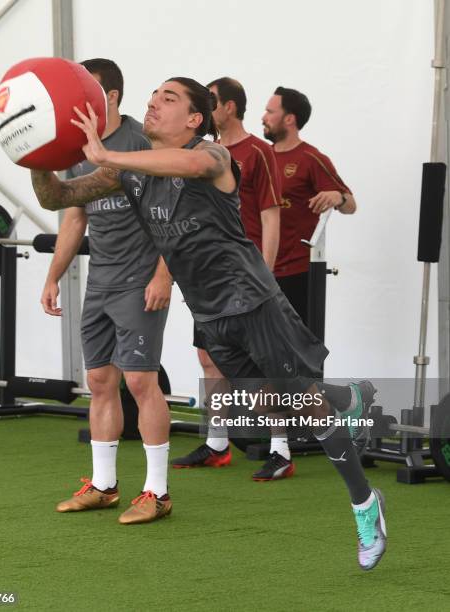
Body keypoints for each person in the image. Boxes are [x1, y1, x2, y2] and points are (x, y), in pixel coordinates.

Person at [31, 77, 386, 570]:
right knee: (267, 406)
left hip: (254, 302)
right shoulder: (130, 172)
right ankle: (348, 399)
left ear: (196, 119)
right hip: (211, 312)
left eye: (168, 98)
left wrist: (107, 154)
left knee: (308, 411)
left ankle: (366, 506)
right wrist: (35, 155)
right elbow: (57, 197)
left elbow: (191, 164)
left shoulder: (215, 156)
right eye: (153, 96)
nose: (153, 103)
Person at [41, 59, 173, 525]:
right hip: (100, 281)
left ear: (111, 96)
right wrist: (54, 275)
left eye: (89, 92)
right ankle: (103, 486)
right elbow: (75, 215)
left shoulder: (140, 143)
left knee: (140, 382)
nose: (80, 101)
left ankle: (157, 492)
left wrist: (164, 275)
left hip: (140, 280)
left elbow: (170, 217)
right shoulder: (80, 146)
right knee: (99, 382)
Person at [170, 77, 287, 478]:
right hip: (206, 279)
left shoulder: (257, 152)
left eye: (211, 101)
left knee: (263, 364)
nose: (204, 106)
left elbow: (272, 216)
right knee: (208, 359)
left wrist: (265, 276)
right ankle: (217, 443)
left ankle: (282, 448)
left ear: (229, 107)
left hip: (246, 279)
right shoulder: (190, 152)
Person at [262, 86, 356, 324]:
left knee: (299, 351)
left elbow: (351, 205)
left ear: (289, 119)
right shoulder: (261, 156)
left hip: (297, 273)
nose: (263, 117)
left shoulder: (311, 159)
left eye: (270, 111)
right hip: (259, 269)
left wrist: (338, 197)